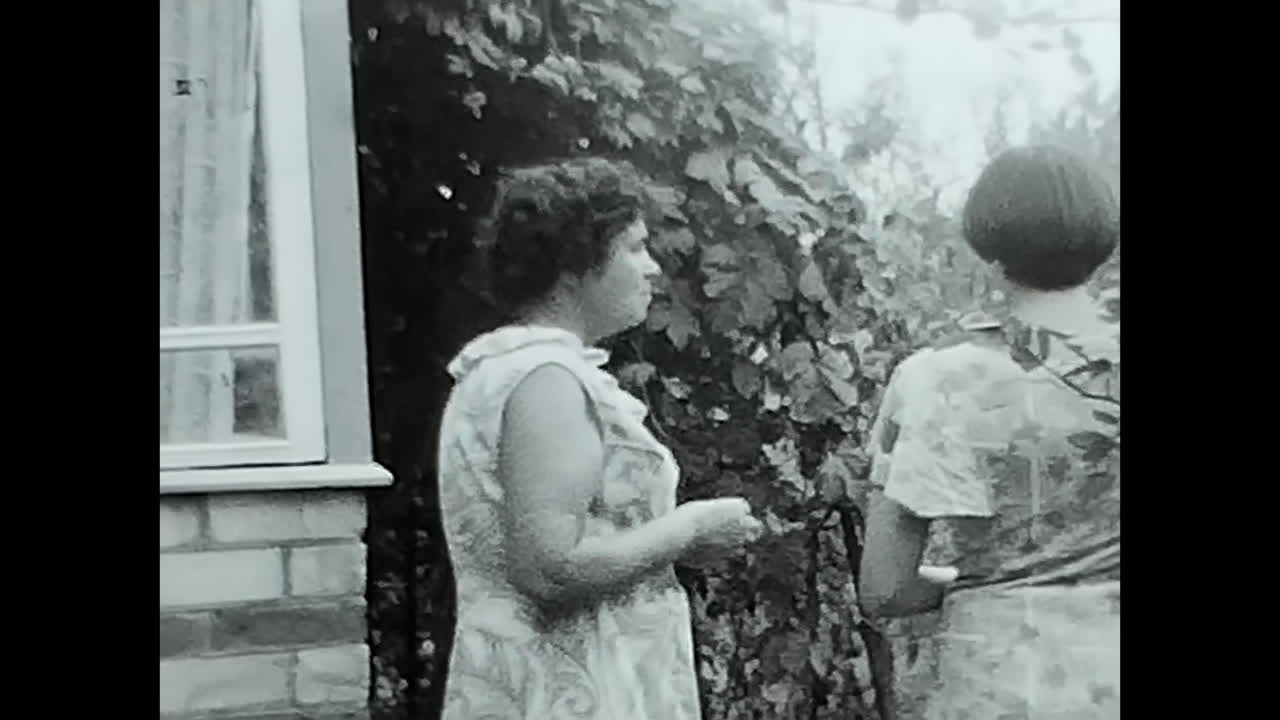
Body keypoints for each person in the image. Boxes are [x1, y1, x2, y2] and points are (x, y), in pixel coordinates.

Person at [436, 157, 763, 720]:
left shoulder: (509, 369)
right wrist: (689, 529)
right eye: (634, 248)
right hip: (565, 694)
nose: (653, 268)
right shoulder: (546, 379)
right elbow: (549, 567)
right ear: (573, 264)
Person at [857, 144, 1121, 719]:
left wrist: (988, 580)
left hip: (998, 682)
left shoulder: (935, 380)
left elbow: (885, 587)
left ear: (988, 245)